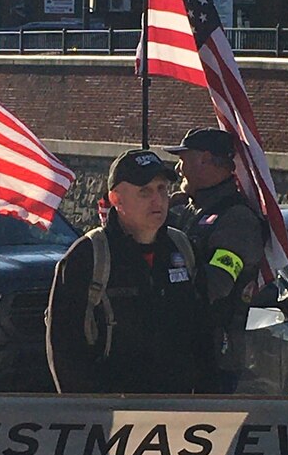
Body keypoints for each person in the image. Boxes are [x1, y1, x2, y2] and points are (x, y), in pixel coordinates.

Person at [46, 148, 212, 394]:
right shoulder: (89, 256)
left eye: (161, 189)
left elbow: (203, 334)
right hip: (110, 416)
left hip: (177, 414)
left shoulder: (182, 248)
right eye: (144, 192)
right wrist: (84, 416)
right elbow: (64, 350)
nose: (157, 200)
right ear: (116, 200)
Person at [165, 127, 266, 392]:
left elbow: (217, 284)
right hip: (178, 353)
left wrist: (162, 291)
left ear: (205, 159)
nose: (178, 169)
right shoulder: (183, 209)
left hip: (213, 358)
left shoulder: (237, 221)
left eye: (182, 160)